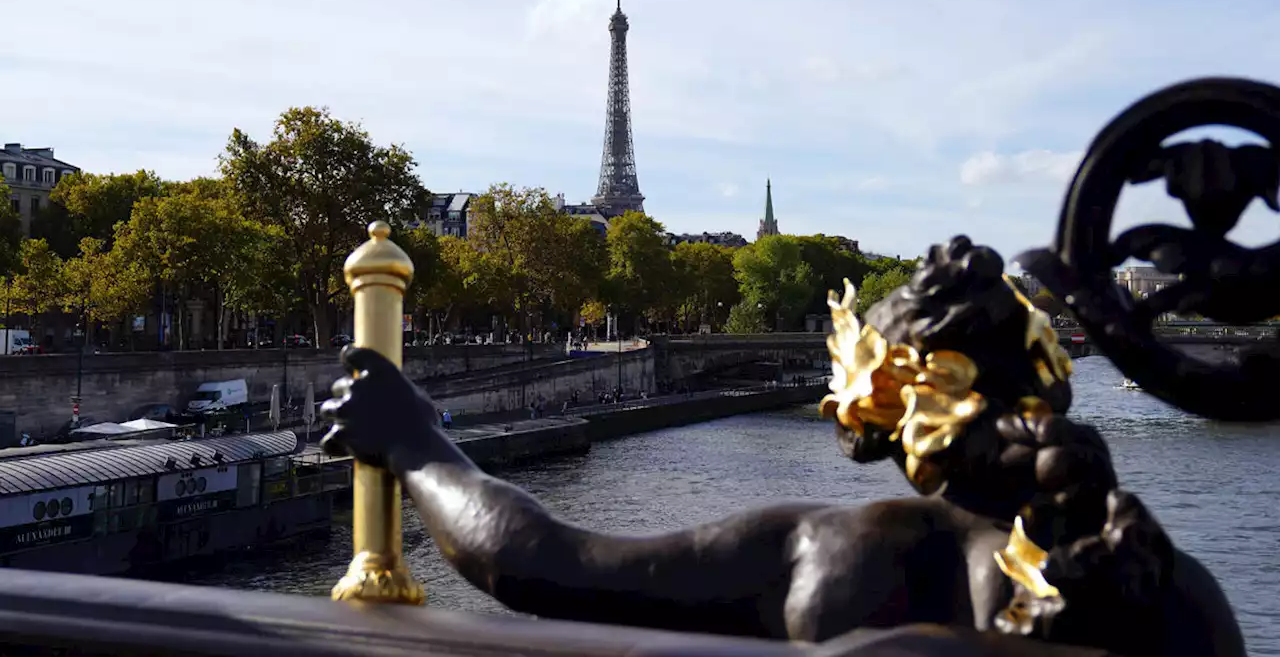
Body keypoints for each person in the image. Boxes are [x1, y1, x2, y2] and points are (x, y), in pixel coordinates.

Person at [322, 237, 1242, 655]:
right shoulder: (1171, 585)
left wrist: (416, 441)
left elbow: (535, 560)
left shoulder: (826, 550)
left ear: (885, 410)